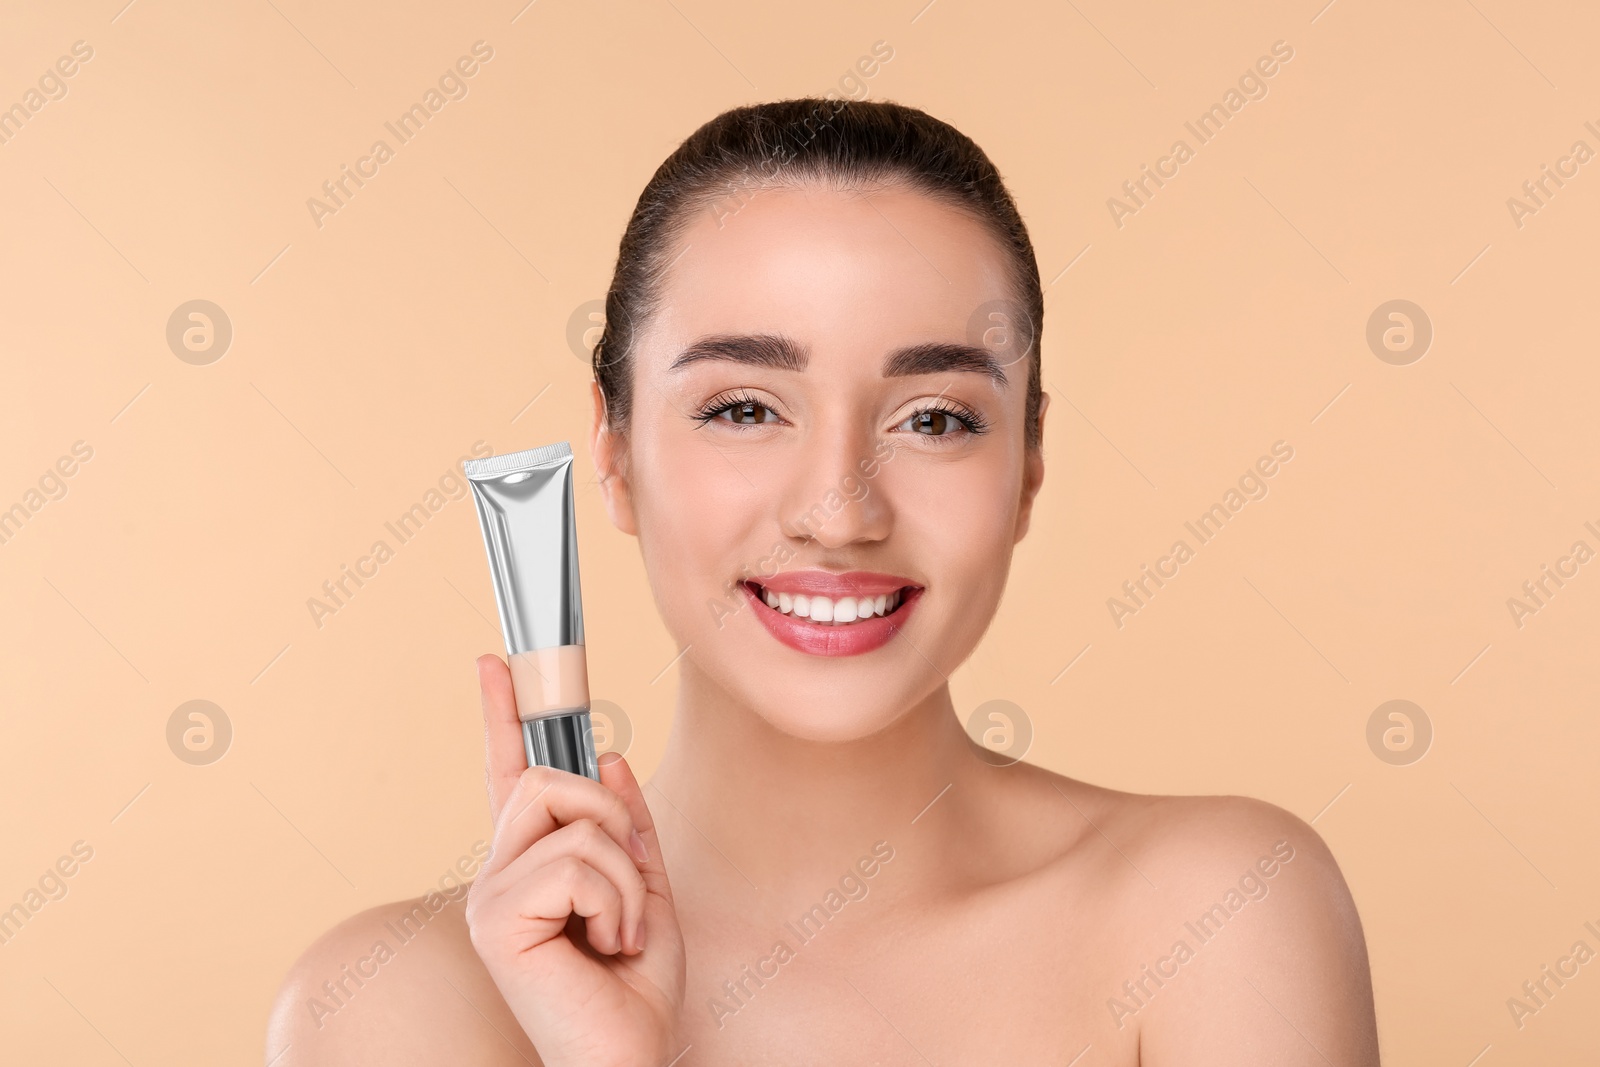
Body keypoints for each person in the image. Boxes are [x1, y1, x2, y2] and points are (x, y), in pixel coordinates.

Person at [268, 97, 1379, 1066]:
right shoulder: (383, 1007)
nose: (840, 511)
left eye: (934, 417)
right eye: (745, 408)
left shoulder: (1217, 913)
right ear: (611, 452)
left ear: (1028, 463)